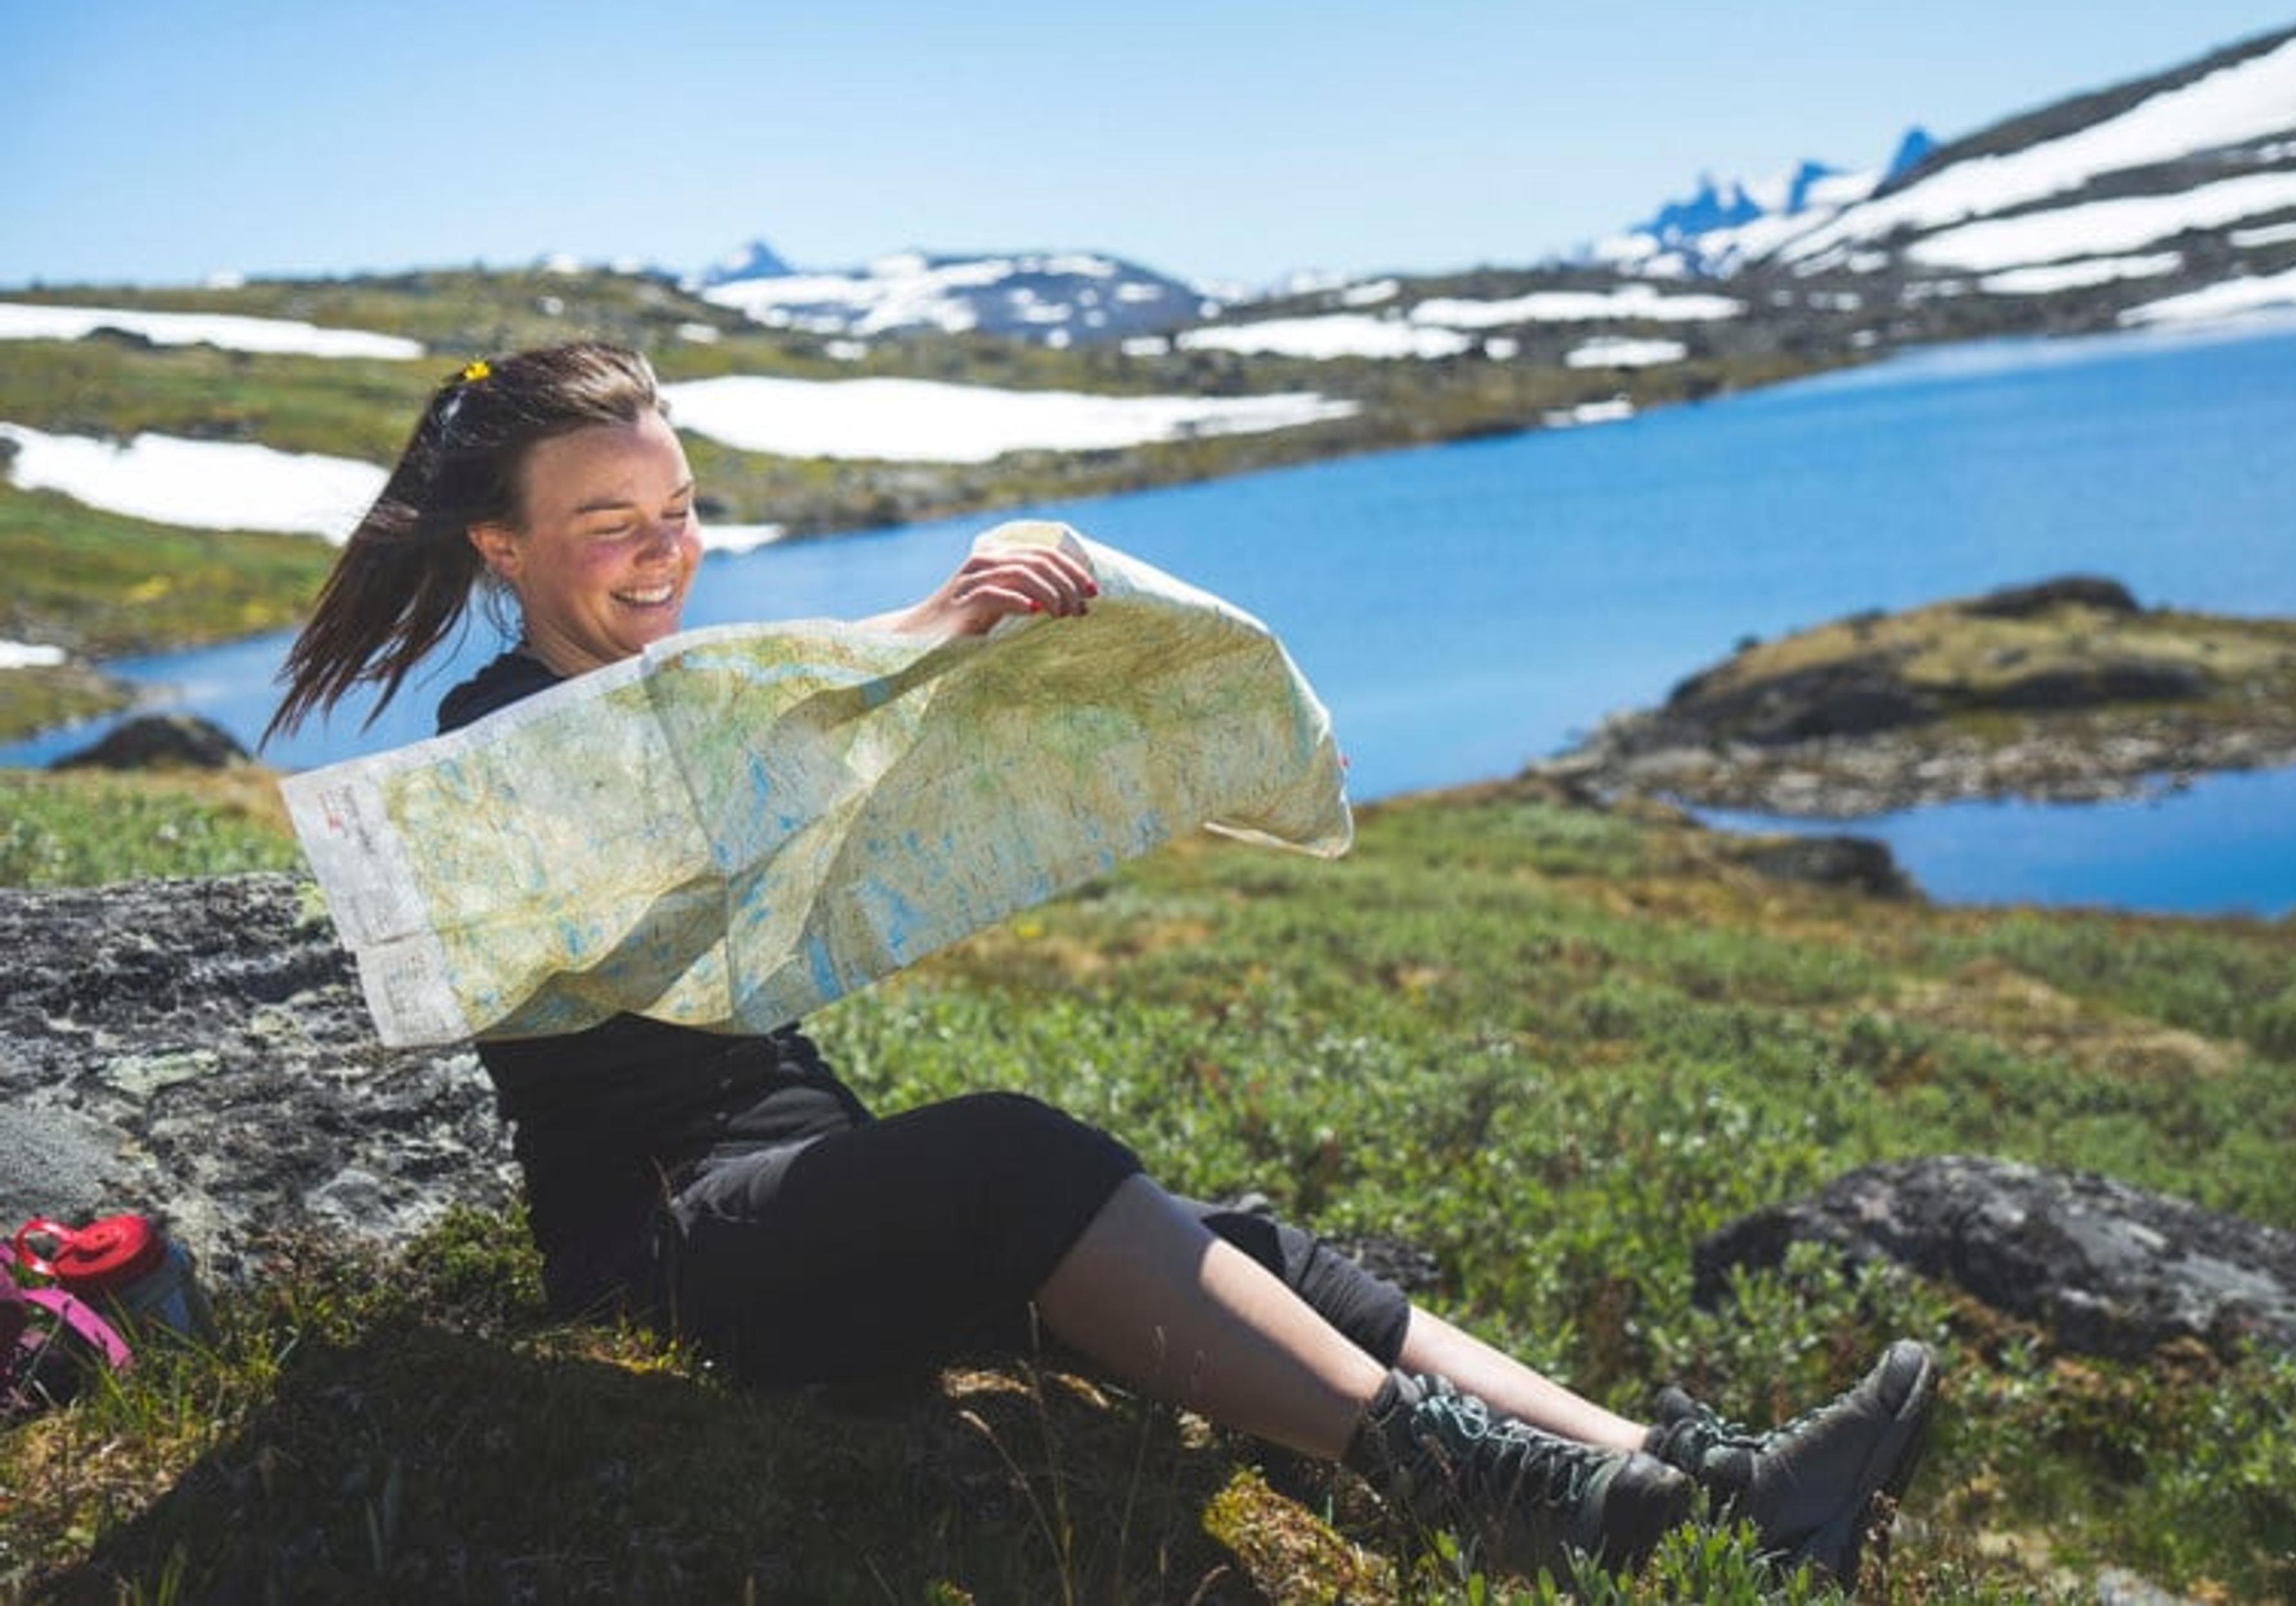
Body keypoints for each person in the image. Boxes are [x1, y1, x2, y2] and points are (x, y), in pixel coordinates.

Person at [266, 342, 1936, 1584]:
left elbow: (791, 759)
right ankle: (1517, 1502)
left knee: (1238, 1246)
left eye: (681, 509)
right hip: (673, 1252)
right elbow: (690, 761)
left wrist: (1055, 657)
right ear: (501, 549)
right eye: (609, 521)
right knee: (1013, 1153)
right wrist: (919, 634)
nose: (664, 548)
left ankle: (1705, 1491)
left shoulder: (704, 706)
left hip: (800, 1189)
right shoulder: (492, 757)